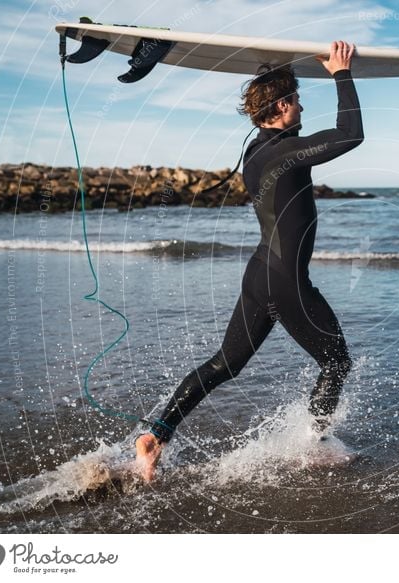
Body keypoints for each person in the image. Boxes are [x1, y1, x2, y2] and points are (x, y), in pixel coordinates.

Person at [135, 40, 364, 482]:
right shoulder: (283, 152)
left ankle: (157, 435)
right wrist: (341, 74)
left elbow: (290, 133)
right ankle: (314, 444)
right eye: (295, 100)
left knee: (226, 363)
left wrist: (276, 74)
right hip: (285, 282)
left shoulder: (260, 150)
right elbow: (350, 135)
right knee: (336, 362)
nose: (301, 106)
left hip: (262, 273)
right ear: (279, 107)